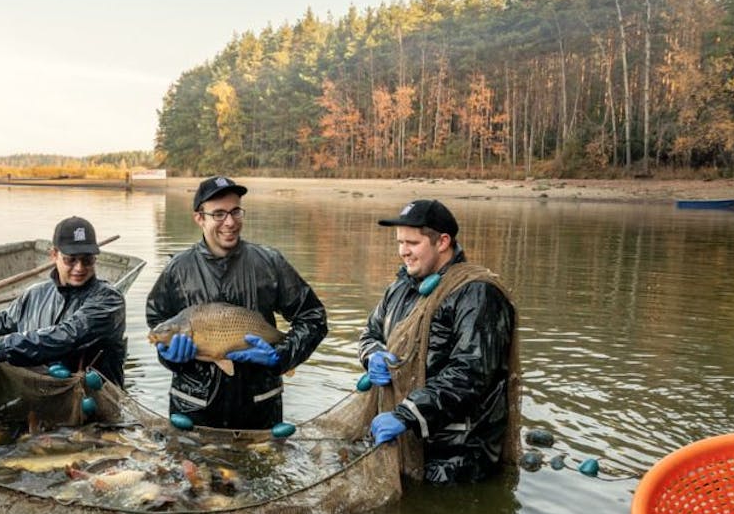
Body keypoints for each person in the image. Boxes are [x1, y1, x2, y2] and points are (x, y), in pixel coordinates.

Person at [145, 175, 327, 429]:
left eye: (235, 212)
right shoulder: (177, 269)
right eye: (218, 214)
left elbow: (313, 317)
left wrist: (281, 356)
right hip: (192, 407)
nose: (229, 222)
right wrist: (170, 358)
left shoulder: (269, 262)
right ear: (200, 218)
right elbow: (157, 322)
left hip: (260, 406)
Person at [358, 199, 516, 483]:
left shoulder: (478, 293)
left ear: (443, 242)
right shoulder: (401, 286)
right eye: (399, 242)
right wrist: (374, 356)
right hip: (407, 442)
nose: (403, 251)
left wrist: (407, 415)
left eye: (412, 243)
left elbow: (471, 374)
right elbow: (370, 332)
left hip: (458, 460)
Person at [0, 216, 127, 385]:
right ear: (54, 255)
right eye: (71, 259)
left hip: (94, 404)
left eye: (87, 259)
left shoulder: (109, 300)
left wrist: (1, 347)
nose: (80, 267)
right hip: (44, 397)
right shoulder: (35, 294)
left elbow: (67, 335)